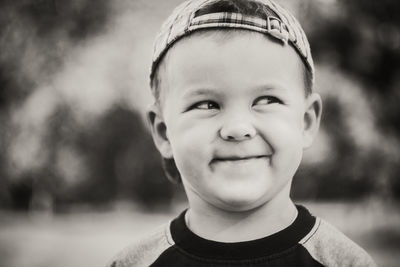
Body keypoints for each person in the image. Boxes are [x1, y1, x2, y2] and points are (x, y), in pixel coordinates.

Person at [108, 0, 377, 266]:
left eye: (266, 100)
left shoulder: (344, 263)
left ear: (306, 122)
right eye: (206, 105)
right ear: (164, 132)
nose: (238, 128)